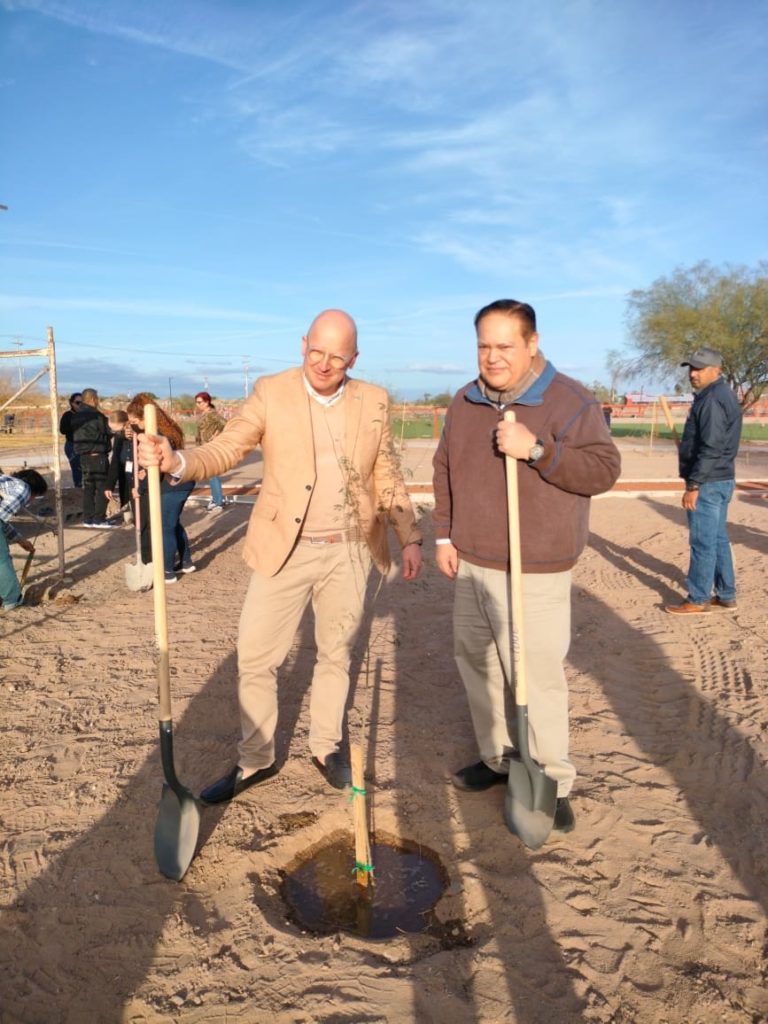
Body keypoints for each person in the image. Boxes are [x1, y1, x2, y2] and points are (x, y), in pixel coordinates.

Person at [138, 308, 423, 802]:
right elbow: (228, 448)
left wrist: (410, 535)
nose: (325, 364)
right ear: (302, 344)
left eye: (338, 356)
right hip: (283, 551)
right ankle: (256, 759)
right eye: (317, 351)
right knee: (255, 657)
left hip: (350, 552)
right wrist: (177, 460)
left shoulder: (374, 401)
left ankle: (326, 746)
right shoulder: (272, 391)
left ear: (354, 357)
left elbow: (386, 471)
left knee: (336, 654)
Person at [432, 299, 621, 834]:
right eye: (483, 346)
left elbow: (604, 470)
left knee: (536, 677)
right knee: (479, 665)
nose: (492, 358)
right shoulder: (465, 401)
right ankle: (500, 761)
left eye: (504, 346)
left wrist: (538, 449)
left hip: (536, 566)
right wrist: (445, 534)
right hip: (472, 559)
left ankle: (552, 778)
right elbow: (445, 467)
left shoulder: (570, 401)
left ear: (532, 344)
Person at [665, 347, 742, 615]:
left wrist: (693, 484)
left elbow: (711, 446)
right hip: (720, 477)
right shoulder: (718, 395)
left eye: (699, 369)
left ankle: (697, 599)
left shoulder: (711, 399)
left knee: (703, 542)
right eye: (691, 368)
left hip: (708, 482)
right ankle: (726, 594)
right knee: (717, 538)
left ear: (716, 370)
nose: (693, 374)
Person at [126, 394, 196, 583]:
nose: (133, 424)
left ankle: (166, 571)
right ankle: (186, 562)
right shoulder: (168, 429)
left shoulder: (156, 436)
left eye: (134, 420)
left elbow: (157, 468)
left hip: (172, 485)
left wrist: (139, 489)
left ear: (144, 418)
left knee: (165, 527)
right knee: (174, 523)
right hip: (183, 479)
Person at [1, 468, 48, 611]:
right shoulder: (23, 488)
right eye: (35, 496)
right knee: (2, 560)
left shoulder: (7, 483)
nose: (31, 501)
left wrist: (19, 539)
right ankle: (12, 600)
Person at [71, 388, 115, 529]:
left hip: (83, 457)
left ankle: (88, 519)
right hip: (98, 456)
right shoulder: (96, 416)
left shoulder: (75, 416)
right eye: (97, 398)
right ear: (93, 399)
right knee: (103, 488)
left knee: (88, 489)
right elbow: (108, 431)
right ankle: (99, 519)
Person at [194, 391, 227, 512]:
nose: (198, 404)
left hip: (211, 448)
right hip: (203, 448)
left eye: (200, 402)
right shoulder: (203, 414)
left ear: (207, 402)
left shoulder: (212, 414)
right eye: (196, 402)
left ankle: (219, 502)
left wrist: (216, 435)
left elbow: (225, 424)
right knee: (210, 475)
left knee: (213, 475)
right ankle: (215, 499)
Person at [59, 393, 83, 488]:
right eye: (77, 402)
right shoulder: (67, 415)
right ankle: (78, 487)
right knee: (76, 468)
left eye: (82, 402)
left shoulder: (87, 414)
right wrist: (75, 425)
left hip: (86, 445)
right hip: (72, 445)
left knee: (88, 467)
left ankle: (89, 489)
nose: (80, 405)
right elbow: (62, 430)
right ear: (71, 403)